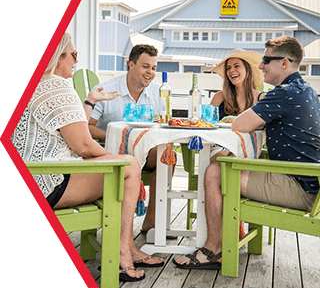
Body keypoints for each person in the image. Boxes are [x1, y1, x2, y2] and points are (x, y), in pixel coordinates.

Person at [11, 33, 163, 282]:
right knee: (130, 166)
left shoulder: (36, 84)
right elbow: (83, 144)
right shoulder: (55, 84)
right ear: (56, 57)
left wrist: (90, 101)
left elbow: (73, 127)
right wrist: (120, 160)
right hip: (44, 182)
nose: (76, 60)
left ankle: (130, 248)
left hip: (30, 173)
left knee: (126, 165)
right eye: (72, 54)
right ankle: (123, 255)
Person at [172, 36, 320, 270]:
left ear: (284, 63)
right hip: (308, 179)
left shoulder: (283, 93)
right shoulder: (306, 90)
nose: (261, 66)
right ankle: (219, 243)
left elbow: (238, 125)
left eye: (266, 60)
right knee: (218, 167)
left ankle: (213, 249)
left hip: (300, 187)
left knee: (214, 172)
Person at [88, 44, 173, 236]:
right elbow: (87, 127)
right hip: (110, 152)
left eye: (153, 68)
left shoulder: (157, 93)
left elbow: (161, 123)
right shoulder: (105, 90)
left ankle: (151, 221)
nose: (150, 72)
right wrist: (118, 135)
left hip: (143, 149)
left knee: (167, 155)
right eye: (145, 66)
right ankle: (119, 229)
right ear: (131, 65)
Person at [209, 49, 265, 161]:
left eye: (236, 66)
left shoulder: (262, 99)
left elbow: (266, 133)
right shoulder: (219, 98)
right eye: (228, 68)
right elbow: (207, 125)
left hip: (248, 149)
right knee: (224, 159)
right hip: (219, 148)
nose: (231, 70)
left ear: (247, 70)